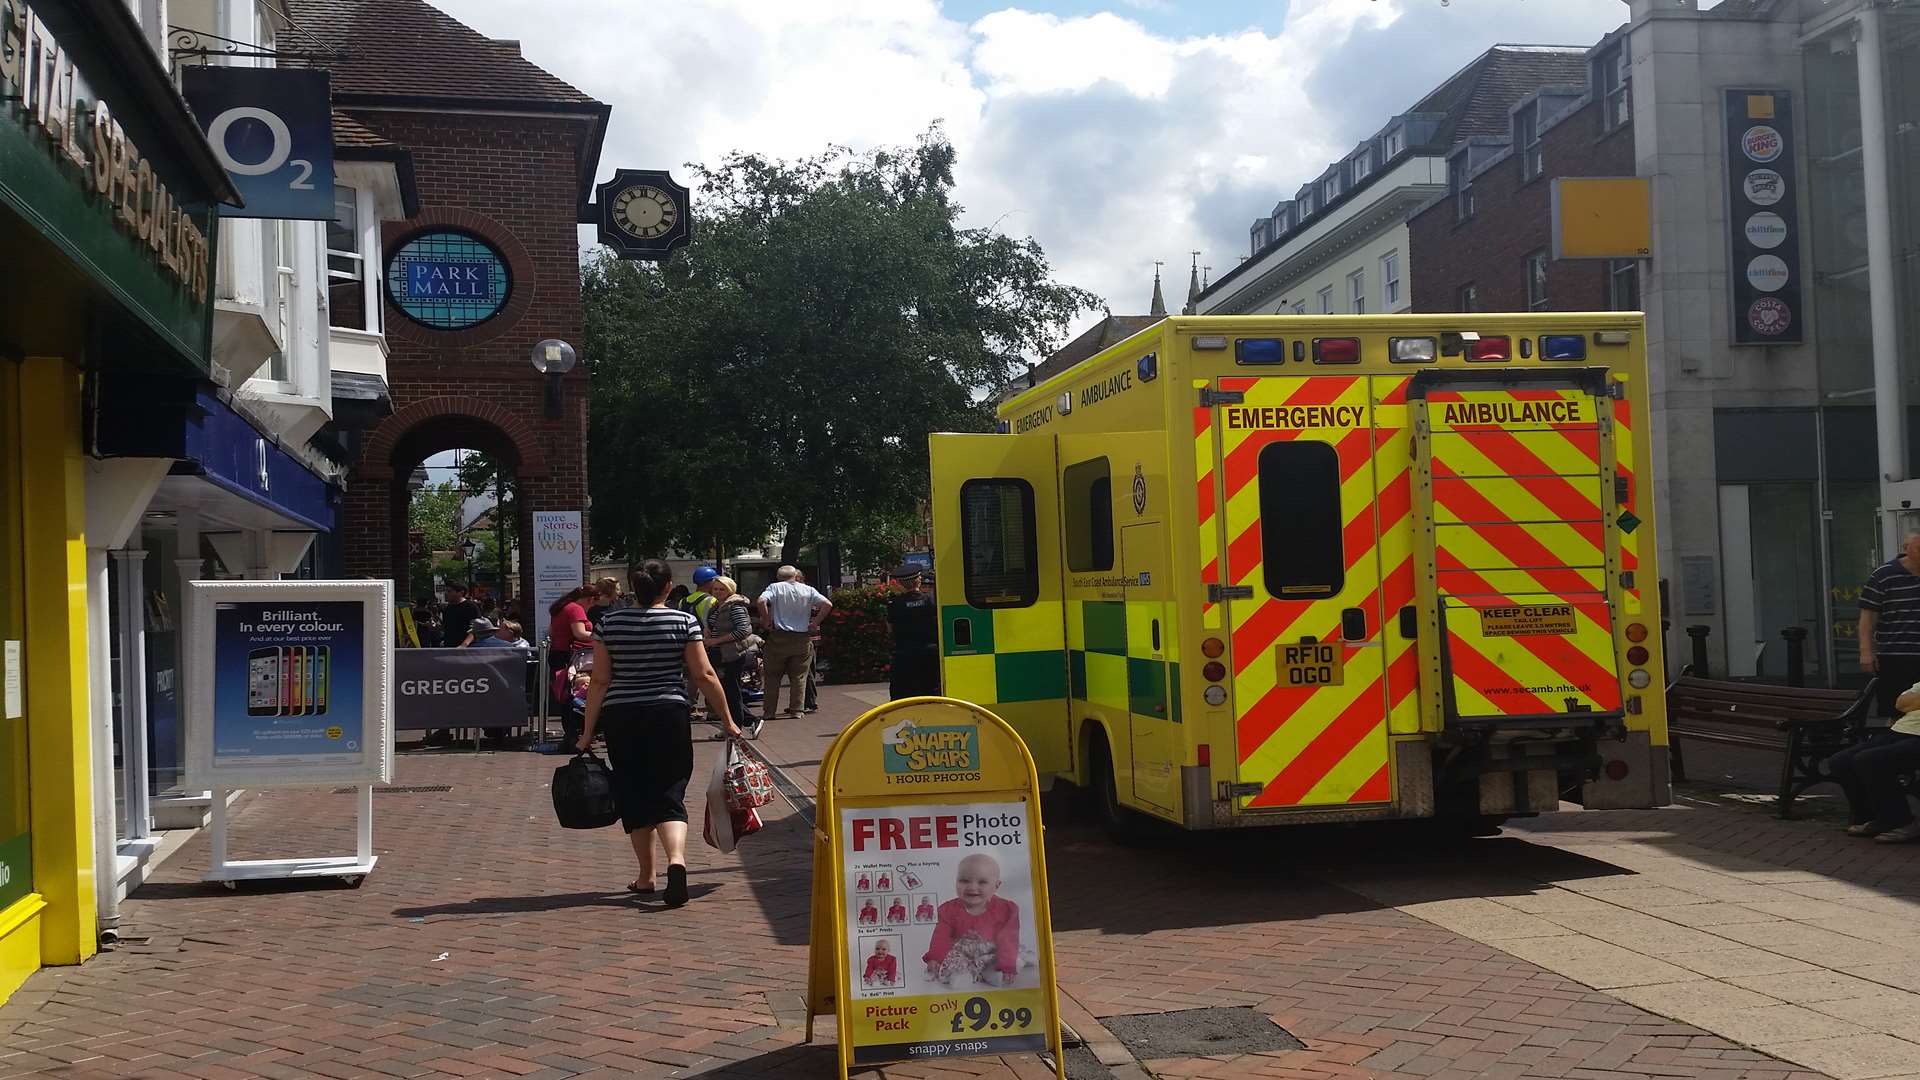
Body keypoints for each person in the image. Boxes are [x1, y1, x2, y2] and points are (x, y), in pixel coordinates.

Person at [576, 559, 741, 907]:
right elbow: (704, 675)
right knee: (669, 791)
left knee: (634, 792)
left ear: (634, 588)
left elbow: (601, 680)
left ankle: (646, 876)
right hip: (669, 714)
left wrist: (587, 730)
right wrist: (727, 719)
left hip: (623, 716)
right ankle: (677, 861)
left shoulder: (610, 623)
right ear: (668, 588)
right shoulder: (683, 621)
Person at [1828, 680, 1920, 842]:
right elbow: (1901, 703)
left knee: (1870, 760)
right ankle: (1875, 818)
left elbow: (1910, 702)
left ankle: (1902, 822)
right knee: (1841, 761)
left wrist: (1915, 701)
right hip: (1900, 730)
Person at [923, 853, 1020, 986]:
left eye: (982, 882)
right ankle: (961, 975)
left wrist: (1007, 964)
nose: (972, 887)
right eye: (964, 880)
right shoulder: (948, 910)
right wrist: (935, 957)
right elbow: (941, 937)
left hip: (992, 951)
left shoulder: (1006, 909)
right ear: (956, 881)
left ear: (996, 886)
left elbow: (1008, 938)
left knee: (1005, 956)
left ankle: (995, 973)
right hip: (962, 953)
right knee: (951, 959)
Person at [756, 565, 831, 723]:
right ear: (795, 576)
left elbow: (761, 600)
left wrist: (766, 620)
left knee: (772, 677)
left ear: (778, 576)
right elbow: (827, 604)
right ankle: (797, 710)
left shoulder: (774, 587)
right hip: (801, 638)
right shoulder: (808, 590)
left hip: (778, 637)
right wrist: (815, 623)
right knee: (799, 676)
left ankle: (769, 712)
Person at [1860, 531, 1920, 718]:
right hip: (1895, 655)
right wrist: (1866, 651)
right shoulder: (1884, 575)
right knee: (1894, 709)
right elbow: (1868, 617)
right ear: (1906, 549)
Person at [703, 575, 757, 738]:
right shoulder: (717, 606)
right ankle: (747, 720)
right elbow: (716, 625)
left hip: (732, 654)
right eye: (715, 589)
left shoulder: (735, 607)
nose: (718, 592)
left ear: (730, 590)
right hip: (719, 653)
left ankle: (736, 725)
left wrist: (716, 640)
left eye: (722, 589)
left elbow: (743, 631)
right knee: (724, 690)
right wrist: (708, 631)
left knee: (730, 690)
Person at [886, 565, 940, 700]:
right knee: (931, 690)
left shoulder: (894, 604)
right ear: (918, 580)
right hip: (929, 653)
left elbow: (890, 629)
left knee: (902, 694)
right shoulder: (931, 601)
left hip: (904, 654)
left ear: (900, 583)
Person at [442, 583, 480, 649]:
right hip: (449, 647)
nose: (446, 593)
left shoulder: (470, 607)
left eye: (449, 591)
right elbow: (447, 627)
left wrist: (464, 644)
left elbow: (477, 628)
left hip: (467, 648)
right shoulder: (447, 608)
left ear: (461, 592)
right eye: (446, 591)